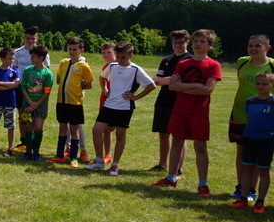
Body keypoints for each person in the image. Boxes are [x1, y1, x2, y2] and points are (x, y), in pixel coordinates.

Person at [152, 29, 223, 197]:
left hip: (199, 112)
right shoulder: (183, 64)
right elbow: (172, 86)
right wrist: (196, 87)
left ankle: (202, 185)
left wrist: (187, 87)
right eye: (196, 41)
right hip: (180, 110)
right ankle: (171, 177)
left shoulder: (213, 65)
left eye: (202, 42)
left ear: (210, 46)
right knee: (176, 143)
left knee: (200, 147)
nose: (198, 44)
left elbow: (207, 90)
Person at [84, 41, 155, 176]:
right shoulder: (112, 66)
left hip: (124, 107)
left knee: (120, 135)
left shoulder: (136, 70)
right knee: (97, 130)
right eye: (119, 56)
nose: (120, 60)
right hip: (109, 105)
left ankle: (114, 165)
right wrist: (105, 89)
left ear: (131, 55)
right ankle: (99, 161)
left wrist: (136, 96)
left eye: (124, 57)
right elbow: (102, 77)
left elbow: (151, 85)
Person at [228, 34, 273, 200]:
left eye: (258, 46)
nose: (253, 49)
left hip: (263, 121)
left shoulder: (273, 65)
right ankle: (241, 187)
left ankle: (252, 190)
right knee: (242, 153)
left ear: (267, 48)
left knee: (257, 156)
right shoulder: (242, 62)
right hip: (240, 114)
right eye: (250, 45)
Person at [228, 71, 274, 214]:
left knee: (263, 171)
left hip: (266, 141)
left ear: (272, 85)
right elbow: (250, 119)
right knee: (246, 169)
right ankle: (243, 198)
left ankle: (260, 202)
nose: (261, 86)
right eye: (258, 84)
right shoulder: (250, 101)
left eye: (265, 84)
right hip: (249, 139)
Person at [46, 37, 94, 168]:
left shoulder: (83, 66)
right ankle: (59, 155)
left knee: (74, 129)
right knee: (62, 127)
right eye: (69, 49)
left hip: (75, 103)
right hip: (61, 101)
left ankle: (74, 157)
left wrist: (77, 87)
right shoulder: (63, 63)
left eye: (74, 49)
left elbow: (89, 84)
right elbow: (58, 80)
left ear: (81, 50)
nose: (71, 52)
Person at [150, 30, 191, 173]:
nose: (177, 45)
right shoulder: (166, 60)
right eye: (175, 42)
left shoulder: (189, 60)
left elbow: (180, 80)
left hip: (179, 102)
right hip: (163, 101)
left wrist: (167, 80)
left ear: (187, 42)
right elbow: (156, 80)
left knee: (179, 137)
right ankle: (162, 164)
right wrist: (169, 80)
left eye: (180, 42)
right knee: (163, 133)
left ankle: (178, 169)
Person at [13, 26, 50, 152]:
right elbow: (14, 70)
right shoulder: (17, 53)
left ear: (37, 38)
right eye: (28, 38)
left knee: (36, 119)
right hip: (22, 89)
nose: (30, 41)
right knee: (23, 116)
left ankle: (33, 143)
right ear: (24, 38)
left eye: (33, 39)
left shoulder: (43, 53)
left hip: (38, 91)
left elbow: (47, 72)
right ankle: (23, 141)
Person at [18, 44, 53, 161]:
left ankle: (36, 152)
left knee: (38, 128)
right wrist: (29, 102)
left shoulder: (47, 73)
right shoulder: (28, 71)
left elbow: (47, 92)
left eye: (33, 57)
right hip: (27, 103)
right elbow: (23, 87)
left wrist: (37, 104)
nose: (31, 59)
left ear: (41, 58)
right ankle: (28, 152)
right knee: (29, 127)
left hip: (41, 105)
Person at [97, 42, 116, 164]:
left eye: (109, 52)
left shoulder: (119, 65)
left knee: (113, 128)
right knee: (105, 129)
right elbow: (102, 79)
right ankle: (107, 155)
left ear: (115, 52)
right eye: (104, 52)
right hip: (105, 100)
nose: (106, 55)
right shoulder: (105, 67)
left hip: (117, 102)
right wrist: (104, 89)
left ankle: (110, 156)